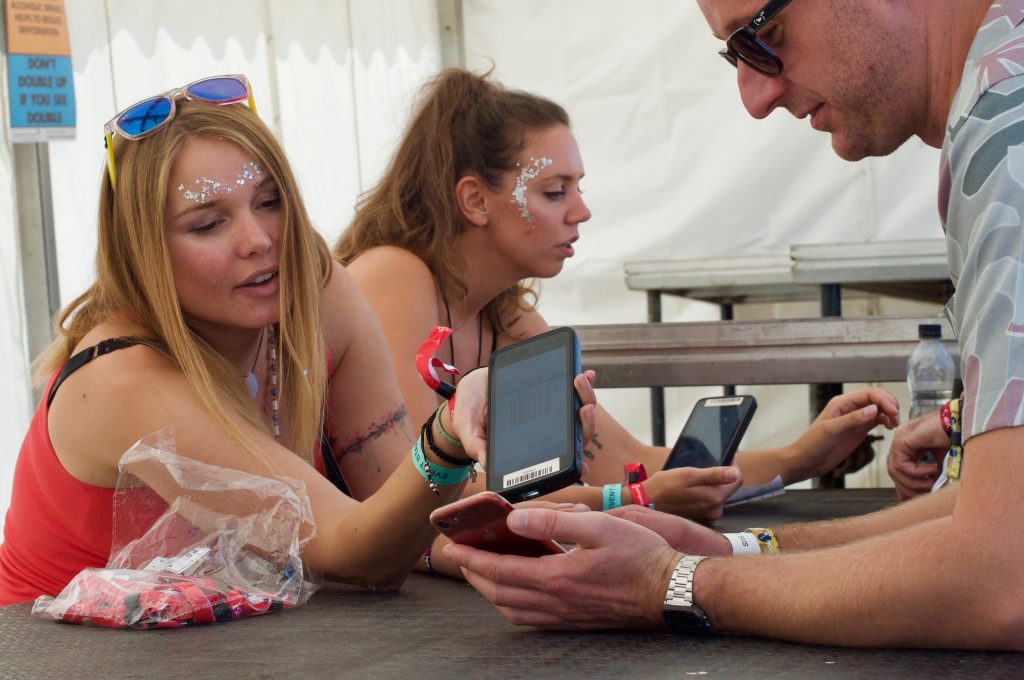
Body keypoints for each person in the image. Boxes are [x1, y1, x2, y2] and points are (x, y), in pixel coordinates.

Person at [445, 0, 1024, 649]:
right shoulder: (998, 95)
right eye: (736, 53)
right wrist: (736, 550)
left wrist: (671, 583)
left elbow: (1003, 577)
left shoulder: (1011, 125)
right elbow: (988, 512)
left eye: (765, 34)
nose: (754, 97)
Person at [0, 74, 597, 605]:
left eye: (270, 202)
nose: (259, 240)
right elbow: (356, 554)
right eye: (208, 224)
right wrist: (447, 437)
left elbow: (407, 520)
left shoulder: (316, 289)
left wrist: (583, 520)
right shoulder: (122, 378)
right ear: (141, 250)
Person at [335, 68, 898, 531]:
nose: (581, 211)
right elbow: (420, 496)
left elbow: (638, 464)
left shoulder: (507, 316)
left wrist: (804, 456)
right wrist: (632, 499)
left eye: (578, 188)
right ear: (475, 200)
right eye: (555, 191)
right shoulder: (393, 274)